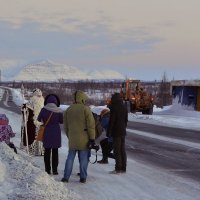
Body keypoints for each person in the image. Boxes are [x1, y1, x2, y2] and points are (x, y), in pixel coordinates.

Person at [61, 90, 95, 183]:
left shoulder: (69, 109)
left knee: (70, 157)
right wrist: (92, 138)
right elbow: (91, 125)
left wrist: (70, 136)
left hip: (72, 138)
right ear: (83, 99)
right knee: (83, 158)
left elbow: (66, 126)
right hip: (84, 139)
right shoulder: (86, 109)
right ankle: (83, 177)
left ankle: (66, 177)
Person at [37, 94, 63, 175]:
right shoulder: (59, 110)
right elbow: (61, 121)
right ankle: (55, 170)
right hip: (56, 132)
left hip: (47, 132)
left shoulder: (43, 109)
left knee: (47, 152)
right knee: (55, 151)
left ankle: (47, 170)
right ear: (56, 102)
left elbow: (39, 119)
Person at [107, 93, 128, 174]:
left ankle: (118, 168)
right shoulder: (124, 107)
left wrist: (109, 132)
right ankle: (123, 168)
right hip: (123, 131)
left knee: (117, 150)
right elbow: (126, 120)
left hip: (116, 132)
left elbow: (112, 121)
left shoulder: (114, 108)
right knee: (122, 150)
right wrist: (123, 128)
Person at [21, 88, 44, 155]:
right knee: (38, 136)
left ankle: (32, 150)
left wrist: (24, 107)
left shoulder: (31, 101)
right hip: (40, 123)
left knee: (33, 135)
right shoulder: (42, 101)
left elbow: (25, 111)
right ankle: (39, 151)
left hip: (32, 123)